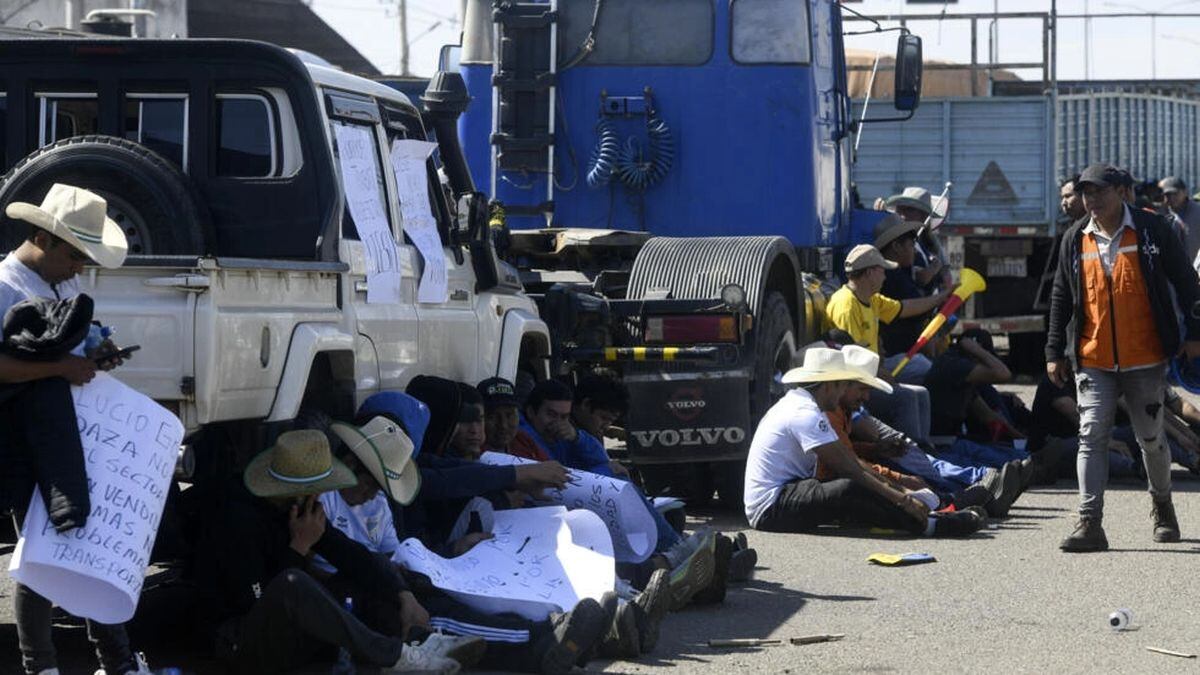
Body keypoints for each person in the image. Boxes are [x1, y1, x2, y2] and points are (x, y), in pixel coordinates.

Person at [316, 413, 617, 674]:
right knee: (440, 618)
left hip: (387, 583)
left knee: (452, 600)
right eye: (368, 484)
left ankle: (567, 636)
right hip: (355, 597)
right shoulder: (325, 500)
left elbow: (390, 556)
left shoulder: (377, 502)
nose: (371, 495)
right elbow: (338, 566)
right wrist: (399, 591)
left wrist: (428, 567)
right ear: (349, 465)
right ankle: (544, 639)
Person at [0, 184, 149, 675]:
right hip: (21, 442)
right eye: (75, 255)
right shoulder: (4, 286)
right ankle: (42, 665)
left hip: (67, 436)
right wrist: (61, 369)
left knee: (82, 541)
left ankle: (116, 661)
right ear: (44, 239)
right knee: (42, 549)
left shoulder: (61, 286)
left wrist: (93, 359)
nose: (81, 267)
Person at [193, 429, 484, 674]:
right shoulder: (236, 521)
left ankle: (416, 640)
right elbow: (259, 601)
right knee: (294, 583)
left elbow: (352, 555)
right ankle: (395, 656)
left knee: (358, 582)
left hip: (284, 629)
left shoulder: (296, 508)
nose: (322, 495)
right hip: (237, 640)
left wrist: (402, 593)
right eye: (318, 488)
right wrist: (298, 548)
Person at [1047, 163, 1200, 552]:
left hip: (1145, 359)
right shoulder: (1074, 239)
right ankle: (1089, 522)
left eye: (1099, 191)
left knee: (1151, 439)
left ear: (1122, 192)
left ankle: (1163, 506)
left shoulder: (1153, 231)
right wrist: (1054, 351)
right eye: (1085, 193)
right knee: (1091, 434)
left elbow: (1187, 284)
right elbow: (1061, 298)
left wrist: (1195, 335)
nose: (1091, 200)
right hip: (1093, 358)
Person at [742, 345, 981, 537]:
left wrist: (901, 490)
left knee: (853, 485)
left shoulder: (802, 403)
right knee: (848, 488)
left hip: (788, 491)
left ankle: (929, 513)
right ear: (829, 385)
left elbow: (851, 462)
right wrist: (903, 498)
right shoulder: (805, 413)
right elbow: (849, 469)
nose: (845, 392)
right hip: (771, 508)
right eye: (844, 385)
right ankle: (927, 525)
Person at [824, 244, 947, 441]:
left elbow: (905, 308)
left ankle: (924, 449)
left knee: (921, 393)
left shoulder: (871, 299)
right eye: (882, 271)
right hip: (856, 384)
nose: (885, 277)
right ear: (870, 272)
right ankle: (909, 454)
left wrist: (943, 297)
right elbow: (853, 362)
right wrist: (886, 377)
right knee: (906, 397)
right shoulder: (846, 306)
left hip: (873, 371)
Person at [874, 213, 936, 382]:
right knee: (938, 373)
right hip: (896, 357)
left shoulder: (901, 273)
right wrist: (943, 297)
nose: (914, 251)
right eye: (911, 245)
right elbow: (913, 309)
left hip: (906, 354)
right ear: (896, 246)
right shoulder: (891, 276)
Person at [571, 371, 631, 476]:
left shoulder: (590, 428)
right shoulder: (562, 432)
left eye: (611, 421)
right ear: (586, 404)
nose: (606, 426)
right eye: (603, 418)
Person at [478, 376, 548, 460]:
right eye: (492, 417)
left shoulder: (522, 440)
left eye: (509, 415)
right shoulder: (473, 451)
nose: (503, 425)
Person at [1159, 176, 1200, 261]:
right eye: (1168, 195)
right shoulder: (1159, 214)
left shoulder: (1197, 211)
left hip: (1194, 266)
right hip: (1169, 268)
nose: (1172, 198)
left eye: (1175, 193)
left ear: (1185, 192)